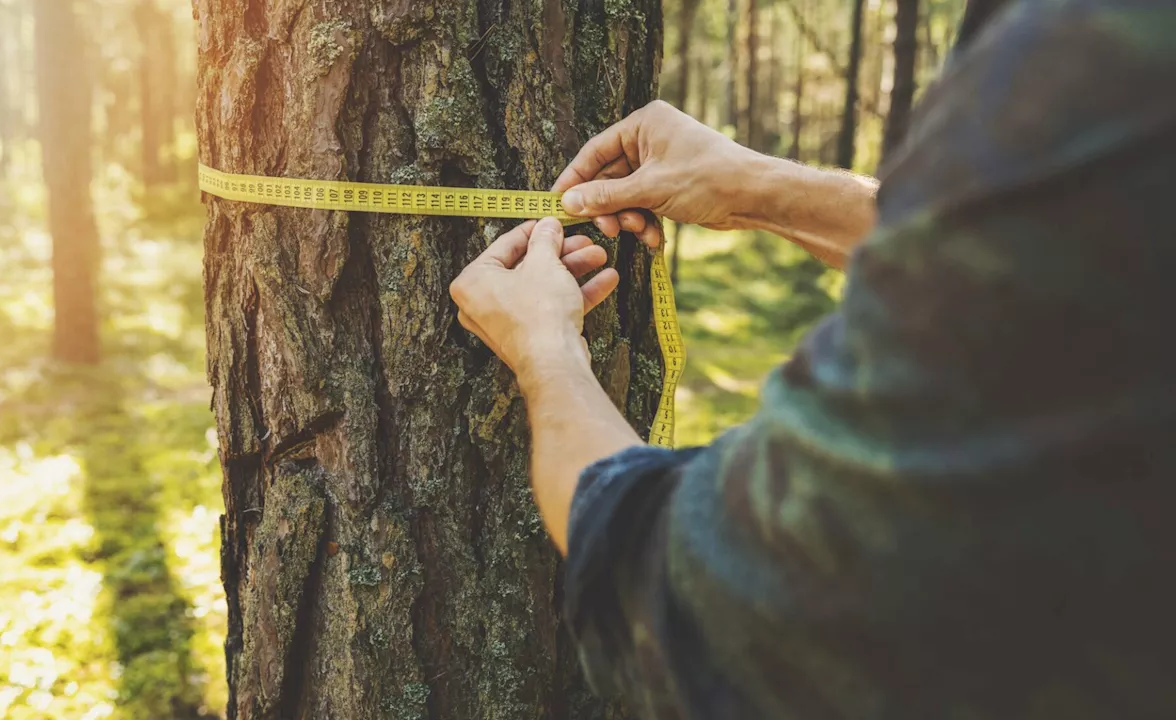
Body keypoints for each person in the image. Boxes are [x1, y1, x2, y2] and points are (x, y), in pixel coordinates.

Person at [450, 0, 1176, 717]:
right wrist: (760, 190)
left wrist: (546, 352)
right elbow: (1045, 268)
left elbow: (723, 605)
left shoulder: (1090, 55)